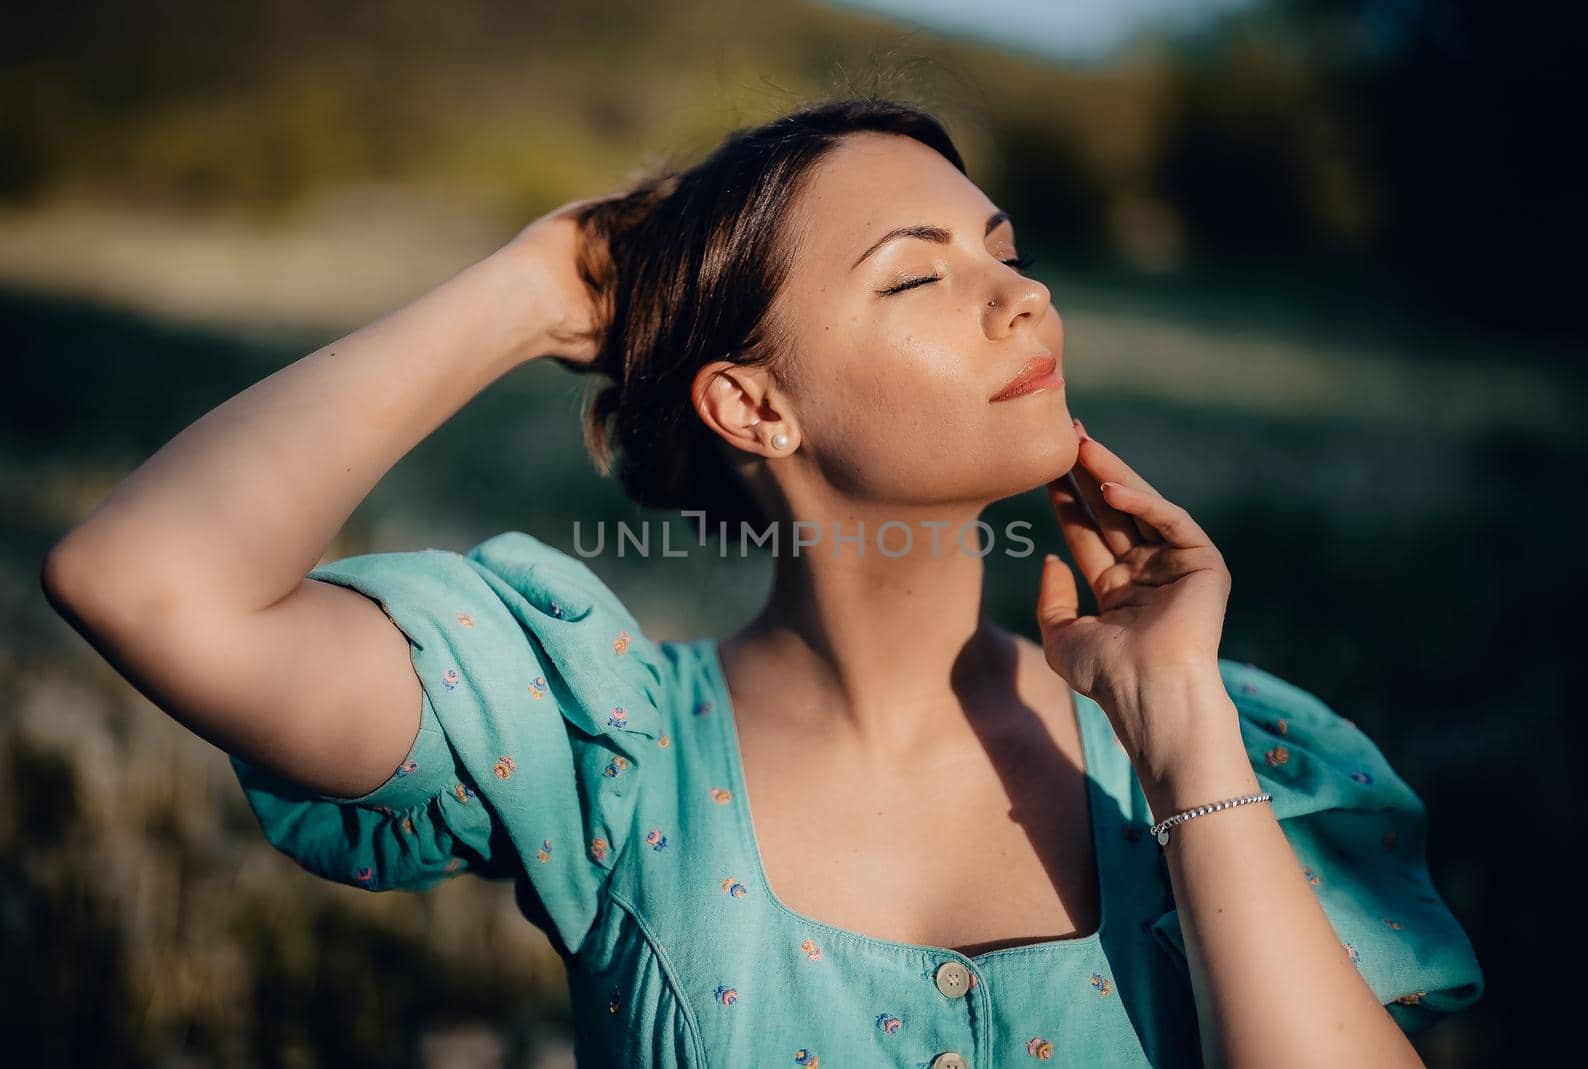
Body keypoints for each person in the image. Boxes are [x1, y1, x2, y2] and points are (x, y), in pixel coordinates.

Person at [41, 96, 1482, 1067]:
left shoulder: (1215, 743)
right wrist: (543, 282)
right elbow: (144, 578)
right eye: (917, 279)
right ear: (753, 410)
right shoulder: (602, 744)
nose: (1024, 296)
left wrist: (1181, 732)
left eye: (1008, 252)